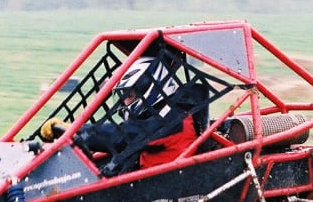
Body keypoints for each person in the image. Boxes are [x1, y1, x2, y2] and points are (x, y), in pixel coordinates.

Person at [41, 50, 208, 176]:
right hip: (146, 182)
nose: (125, 103)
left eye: (130, 95)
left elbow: (122, 136)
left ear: (151, 88)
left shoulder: (174, 119)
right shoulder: (164, 115)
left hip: (161, 189)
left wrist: (73, 130)